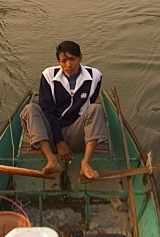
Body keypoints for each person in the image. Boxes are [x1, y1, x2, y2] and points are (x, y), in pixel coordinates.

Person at [21, 40, 108, 180]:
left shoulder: (95, 76)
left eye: (72, 59)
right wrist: (59, 141)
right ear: (59, 61)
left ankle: (85, 163)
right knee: (30, 109)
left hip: (76, 133)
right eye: (64, 61)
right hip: (49, 133)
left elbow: (89, 104)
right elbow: (47, 111)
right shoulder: (48, 75)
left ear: (80, 57)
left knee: (96, 108)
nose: (68, 65)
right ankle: (51, 160)